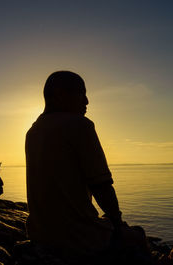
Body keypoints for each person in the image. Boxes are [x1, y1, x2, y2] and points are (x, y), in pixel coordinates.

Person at [25, 71, 150, 261]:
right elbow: (101, 185)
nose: (87, 101)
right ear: (60, 94)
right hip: (78, 239)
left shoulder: (32, 131)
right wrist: (118, 225)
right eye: (81, 93)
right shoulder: (79, 125)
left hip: (40, 234)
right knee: (138, 235)